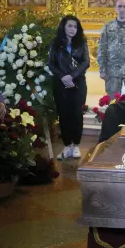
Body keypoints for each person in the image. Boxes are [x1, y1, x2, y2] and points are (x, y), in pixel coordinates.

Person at [48, 15, 90, 160]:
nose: (73, 29)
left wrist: (71, 76)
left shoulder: (81, 41)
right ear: (63, 27)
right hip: (60, 83)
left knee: (77, 114)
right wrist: (63, 77)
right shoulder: (56, 42)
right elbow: (51, 64)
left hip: (78, 83)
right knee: (63, 114)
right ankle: (67, 146)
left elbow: (86, 62)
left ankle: (76, 145)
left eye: (75, 26)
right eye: (70, 26)